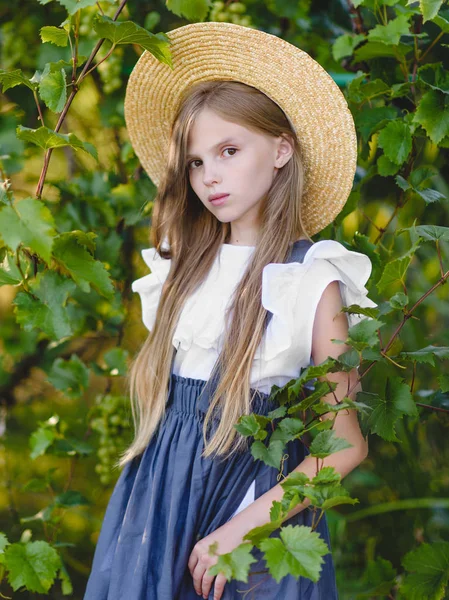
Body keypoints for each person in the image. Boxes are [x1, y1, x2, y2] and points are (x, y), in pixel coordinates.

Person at [84, 21, 377, 600]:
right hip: (156, 508)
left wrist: (244, 528)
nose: (209, 175)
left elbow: (344, 444)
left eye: (228, 150)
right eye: (195, 162)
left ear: (281, 150)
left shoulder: (309, 278)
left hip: (253, 518)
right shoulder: (179, 269)